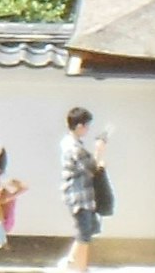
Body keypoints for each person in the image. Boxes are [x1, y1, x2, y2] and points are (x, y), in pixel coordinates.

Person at [60, 110, 110, 273]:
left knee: (86, 231)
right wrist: (99, 150)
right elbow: (91, 168)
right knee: (84, 233)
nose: (88, 129)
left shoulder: (71, 143)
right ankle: (79, 268)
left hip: (82, 196)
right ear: (80, 126)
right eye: (87, 126)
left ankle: (72, 263)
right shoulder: (74, 147)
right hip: (79, 196)